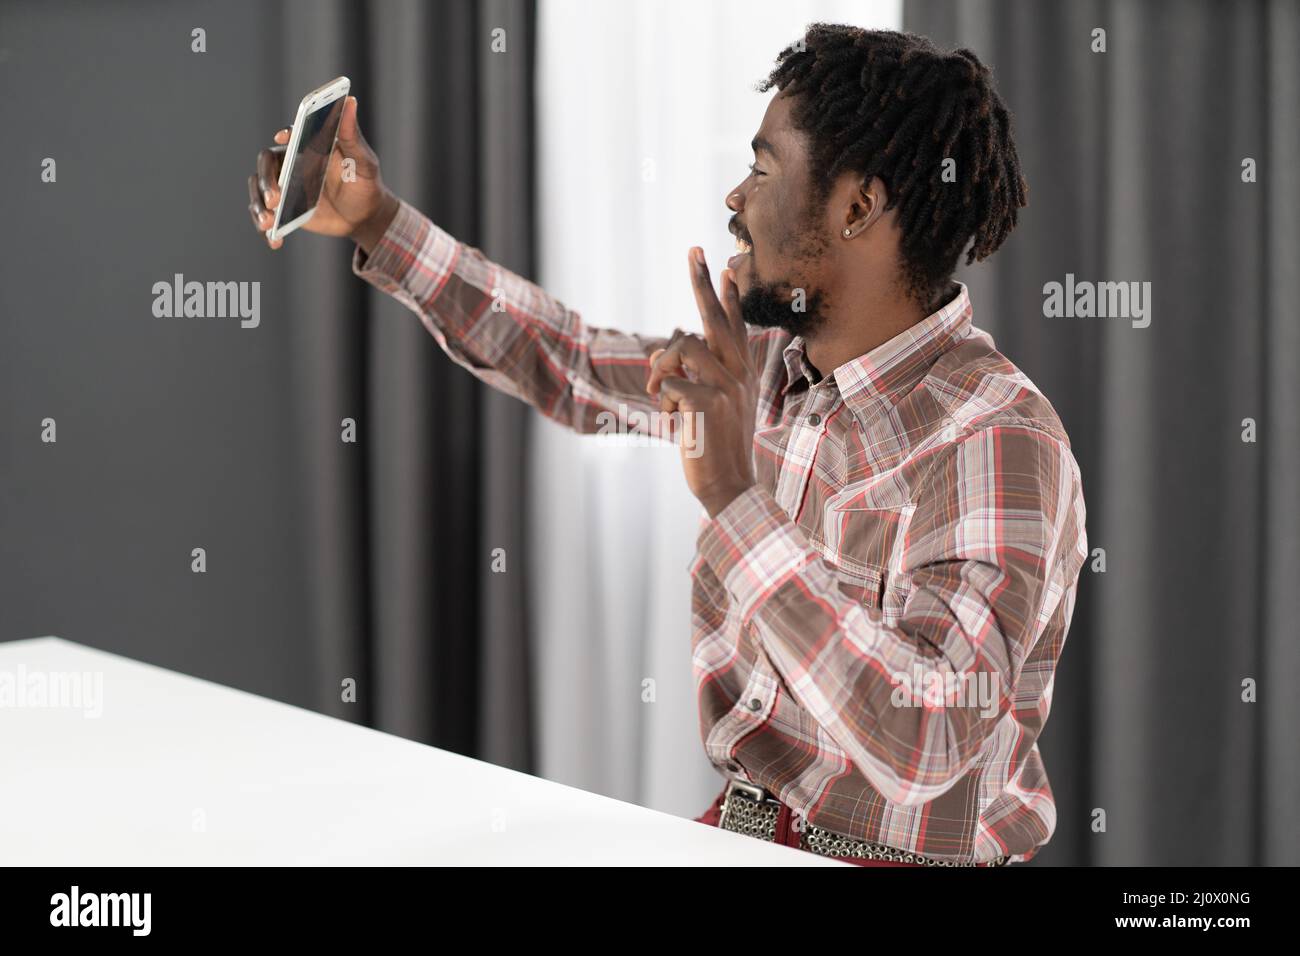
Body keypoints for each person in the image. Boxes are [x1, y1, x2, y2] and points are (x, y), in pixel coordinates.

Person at [247, 24, 1087, 867]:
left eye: (763, 168)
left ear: (858, 207)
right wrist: (380, 222)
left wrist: (734, 498)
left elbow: (923, 738)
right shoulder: (769, 371)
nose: (734, 198)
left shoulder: (994, 440)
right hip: (744, 833)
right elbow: (571, 365)